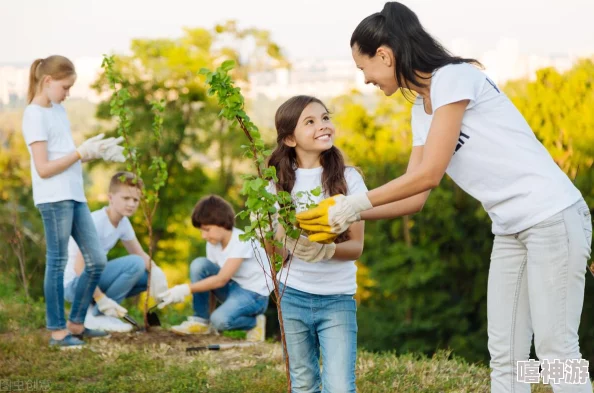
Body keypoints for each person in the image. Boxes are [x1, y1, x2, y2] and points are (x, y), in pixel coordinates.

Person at [296, 3, 593, 393]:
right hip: (509, 229)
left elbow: (429, 173)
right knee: (506, 354)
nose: (365, 79)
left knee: (556, 351)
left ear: (384, 55)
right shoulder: (422, 108)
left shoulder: (454, 78)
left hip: (553, 216)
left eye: (363, 67)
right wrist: (344, 219)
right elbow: (415, 192)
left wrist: (353, 203)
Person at [22, 55, 126, 348]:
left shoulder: (57, 110)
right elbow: (43, 168)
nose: (68, 93)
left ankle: (76, 324)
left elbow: (66, 155)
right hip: (54, 199)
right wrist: (81, 153)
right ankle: (57, 332)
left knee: (96, 260)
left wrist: (97, 152)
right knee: (57, 263)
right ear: (47, 81)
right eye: (65, 87)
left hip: (75, 195)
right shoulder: (34, 115)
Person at [269, 95, 367, 393]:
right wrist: (272, 235)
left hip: (336, 298)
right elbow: (276, 257)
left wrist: (326, 249)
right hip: (292, 296)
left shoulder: (349, 179)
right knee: (304, 382)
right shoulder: (273, 185)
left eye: (325, 118)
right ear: (289, 138)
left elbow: (357, 248)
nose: (323, 126)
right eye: (310, 122)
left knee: (339, 387)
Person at [63, 171, 169, 332]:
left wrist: (157, 273)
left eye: (136, 200)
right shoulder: (96, 222)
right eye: (126, 198)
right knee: (135, 264)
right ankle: (99, 316)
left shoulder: (123, 223)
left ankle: (96, 314)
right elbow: (79, 268)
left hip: (93, 279)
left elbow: (139, 252)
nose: (132, 204)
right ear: (110, 197)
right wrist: (101, 298)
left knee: (147, 277)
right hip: (74, 284)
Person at [158, 195, 271, 341]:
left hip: (253, 295)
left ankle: (255, 323)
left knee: (219, 321)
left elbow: (220, 280)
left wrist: (185, 289)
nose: (203, 235)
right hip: (232, 288)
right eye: (201, 231)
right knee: (199, 265)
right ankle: (200, 322)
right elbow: (210, 282)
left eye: (207, 229)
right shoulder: (212, 243)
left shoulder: (242, 240)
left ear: (222, 223)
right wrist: (207, 318)